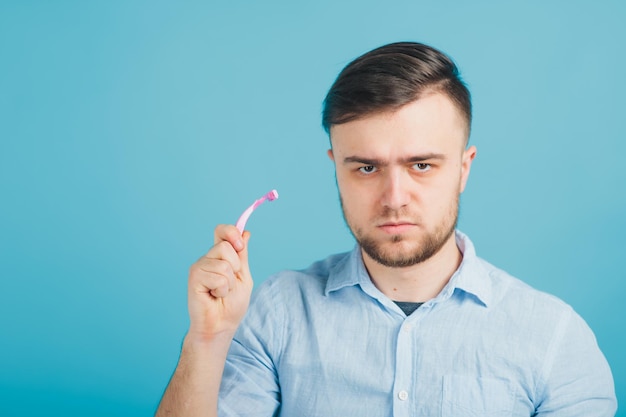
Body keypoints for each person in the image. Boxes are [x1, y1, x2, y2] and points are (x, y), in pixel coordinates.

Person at [155, 42, 617, 416]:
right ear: (336, 169)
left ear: (463, 168)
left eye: (421, 165)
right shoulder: (275, 316)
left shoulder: (555, 339)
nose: (394, 196)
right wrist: (208, 341)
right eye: (367, 168)